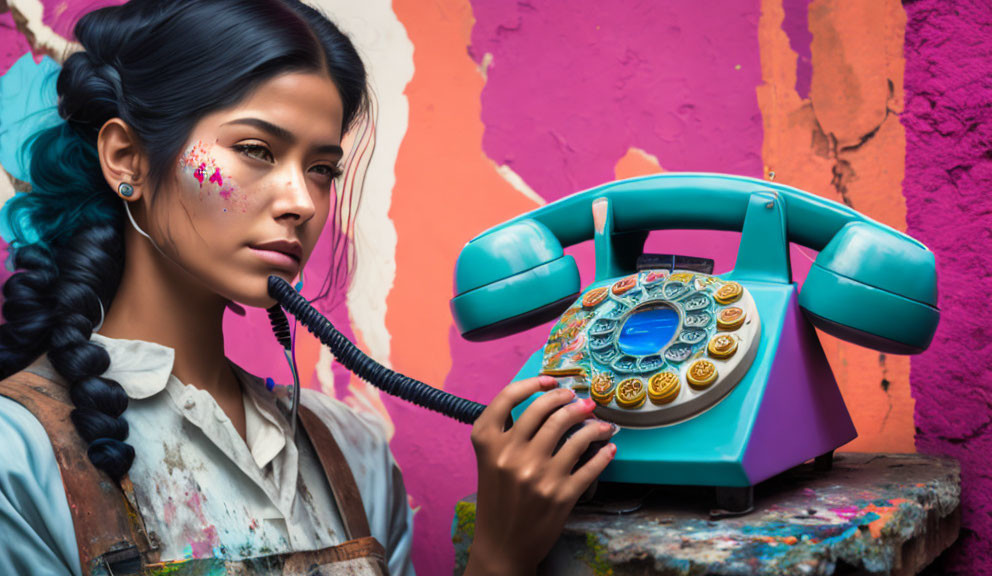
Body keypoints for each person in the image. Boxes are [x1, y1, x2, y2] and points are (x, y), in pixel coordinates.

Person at [0, 1, 617, 574]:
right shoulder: (16, 454)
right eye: (255, 150)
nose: (301, 202)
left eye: (321, 169)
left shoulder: (354, 452)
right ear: (126, 158)